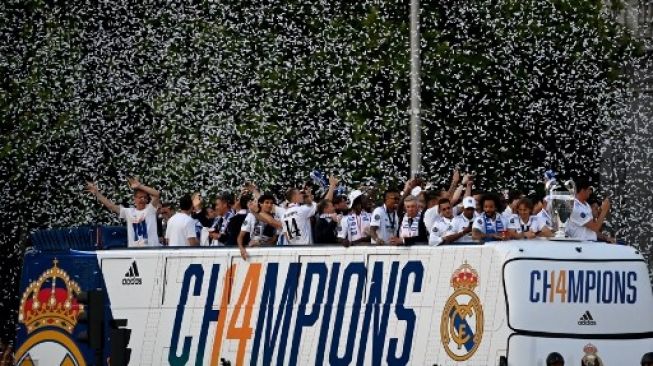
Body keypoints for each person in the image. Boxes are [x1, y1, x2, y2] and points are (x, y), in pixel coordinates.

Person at [86, 177, 161, 247]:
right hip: (134, 251)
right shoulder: (128, 212)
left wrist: (140, 186)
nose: (143, 199)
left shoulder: (150, 209)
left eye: (145, 197)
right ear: (134, 199)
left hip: (152, 250)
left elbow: (156, 194)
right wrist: (97, 193)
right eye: (140, 197)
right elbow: (111, 206)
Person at [238, 194, 278, 259]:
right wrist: (241, 249)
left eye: (271, 203)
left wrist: (261, 244)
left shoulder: (275, 218)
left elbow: (275, 239)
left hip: (268, 253)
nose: (269, 205)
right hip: (252, 252)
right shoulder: (251, 215)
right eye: (267, 202)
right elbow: (240, 236)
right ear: (260, 204)